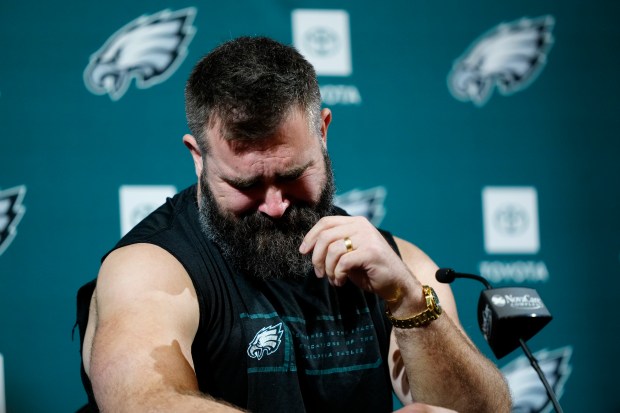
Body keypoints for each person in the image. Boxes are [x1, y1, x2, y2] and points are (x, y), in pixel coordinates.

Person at [75, 36, 511, 413]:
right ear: (197, 157)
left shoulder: (399, 265)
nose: (276, 205)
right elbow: (145, 401)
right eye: (246, 184)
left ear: (322, 132)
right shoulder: (150, 269)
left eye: (291, 175)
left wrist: (410, 302)